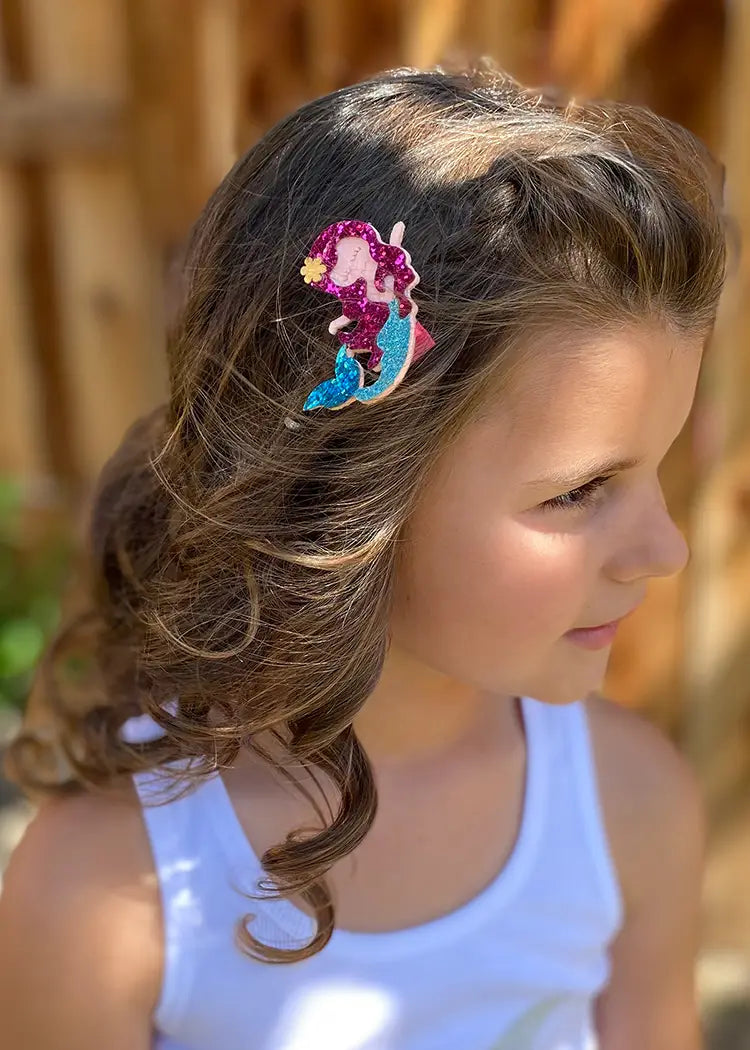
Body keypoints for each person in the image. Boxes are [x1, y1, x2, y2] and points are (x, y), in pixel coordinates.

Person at [0, 64, 728, 1050]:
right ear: (345, 490)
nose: (665, 550)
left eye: (656, 472)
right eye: (579, 490)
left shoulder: (628, 805)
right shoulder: (101, 895)